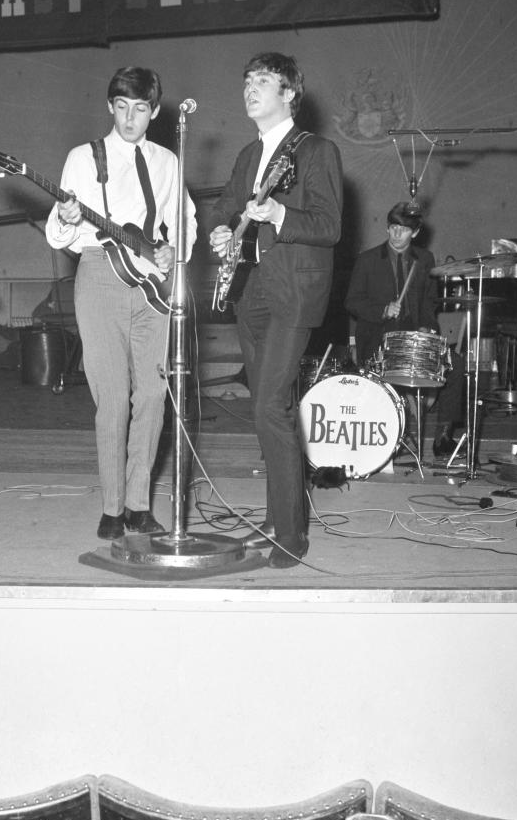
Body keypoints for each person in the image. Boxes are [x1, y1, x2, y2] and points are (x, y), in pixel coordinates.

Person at [45, 66, 196, 540]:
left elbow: (184, 220)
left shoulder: (169, 161)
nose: (131, 118)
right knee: (111, 400)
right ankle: (112, 508)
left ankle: (138, 504)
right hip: (99, 275)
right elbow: (59, 234)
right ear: (110, 107)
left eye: (141, 109)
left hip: (152, 282)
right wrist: (68, 216)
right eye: (123, 107)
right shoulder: (82, 158)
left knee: (153, 394)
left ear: (154, 112)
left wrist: (175, 250)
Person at [208, 52, 343, 569]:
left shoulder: (316, 151)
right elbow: (224, 207)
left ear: (289, 94)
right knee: (266, 410)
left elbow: (329, 226)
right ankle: (276, 514)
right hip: (253, 292)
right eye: (246, 80)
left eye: (263, 81)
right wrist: (220, 229)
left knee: (270, 407)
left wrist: (281, 212)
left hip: (294, 293)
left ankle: (292, 534)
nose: (250, 88)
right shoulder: (249, 155)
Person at [344, 201, 464, 458]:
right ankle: (388, 438)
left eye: (404, 230)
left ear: (416, 233)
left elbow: (429, 303)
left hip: (414, 340)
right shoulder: (367, 260)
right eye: (393, 228)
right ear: (387, 228)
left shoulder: (425, 259)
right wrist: (382, 310)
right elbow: (352, 301)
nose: (397, 234)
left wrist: (426, 328)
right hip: (379, 341)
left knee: (456, 366)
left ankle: (443, 436)